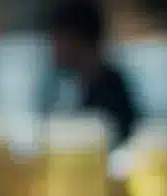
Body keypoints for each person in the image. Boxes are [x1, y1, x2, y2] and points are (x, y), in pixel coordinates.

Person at [43, 0, 139, 144]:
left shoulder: (111, 92)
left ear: (76, 40)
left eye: (57, 39)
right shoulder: (67, 84)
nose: (52, 48)